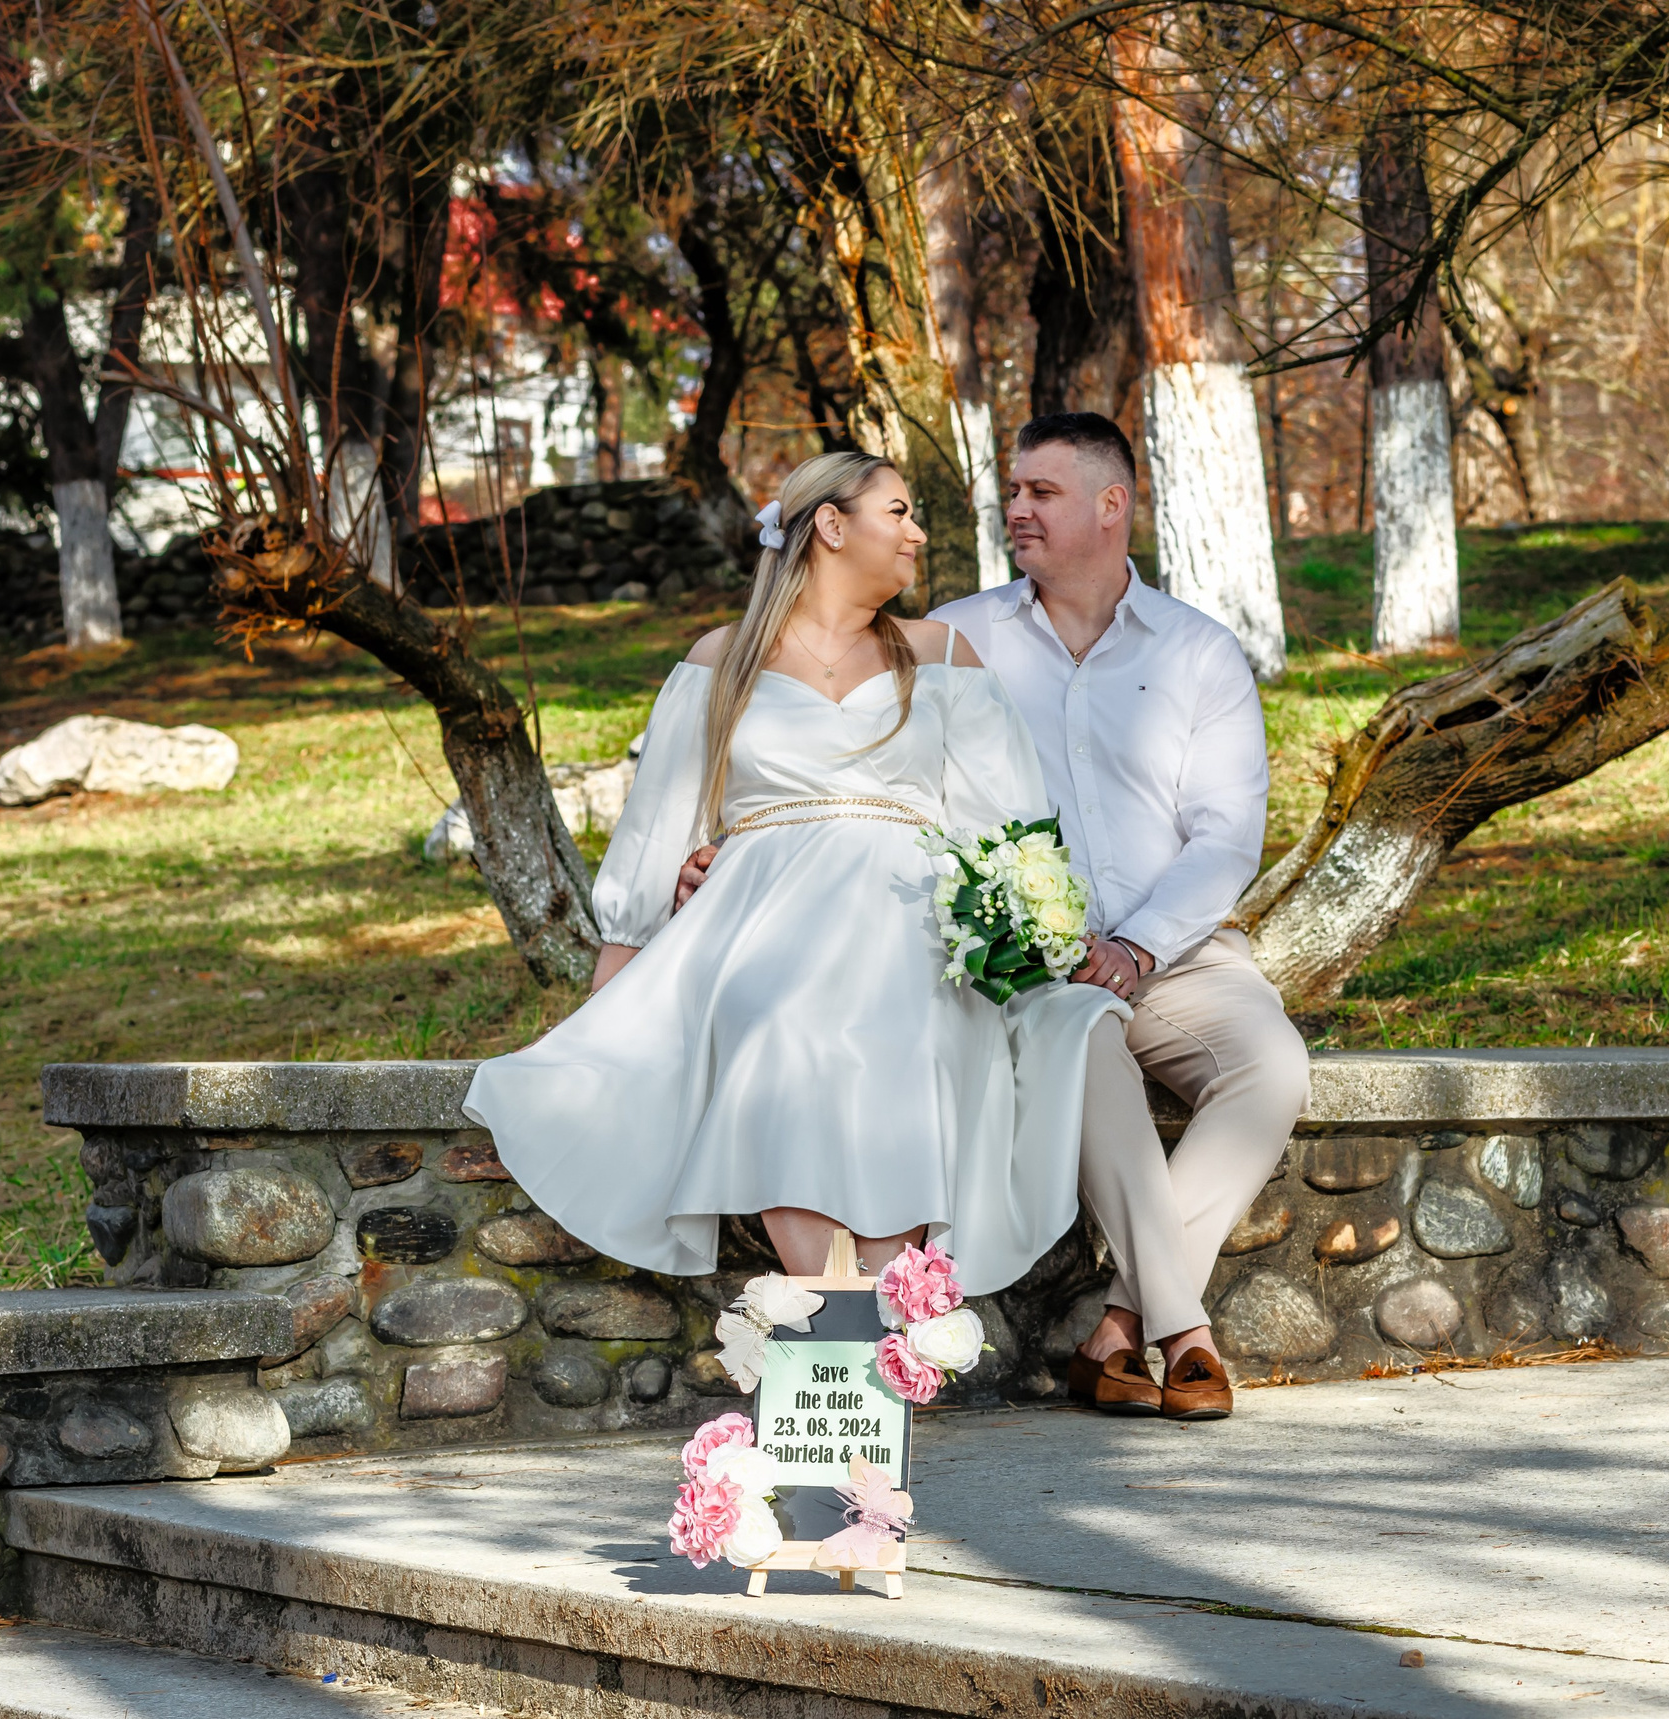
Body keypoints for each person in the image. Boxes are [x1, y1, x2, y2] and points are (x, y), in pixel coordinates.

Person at [461, 451, 1126, 1288]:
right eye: (900, 510)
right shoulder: (723, 659)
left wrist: (1031, 933)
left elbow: (1009, 821)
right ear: (832, 524)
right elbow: (658, 825)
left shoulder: (941, 653)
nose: (918, 531)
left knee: (911, 1028)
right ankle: (836, 1321)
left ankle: (893, 1322)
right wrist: (618, 974)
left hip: (912, 919)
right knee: (777, 1027)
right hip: (760, 924)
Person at [932, 413, 1311, 1422]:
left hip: (1177, 951)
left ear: (1113, 504)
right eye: (1011, 491)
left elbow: (1226, 836)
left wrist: (1140, 945)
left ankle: (1115, 1329)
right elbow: (878, 781)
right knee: (1086, 1048)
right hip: (1030, 971)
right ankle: (1182, 1333)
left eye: (1041, 493)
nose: (1016, 509)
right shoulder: (953, 639)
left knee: (1271, 1064)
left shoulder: (1198, 653)